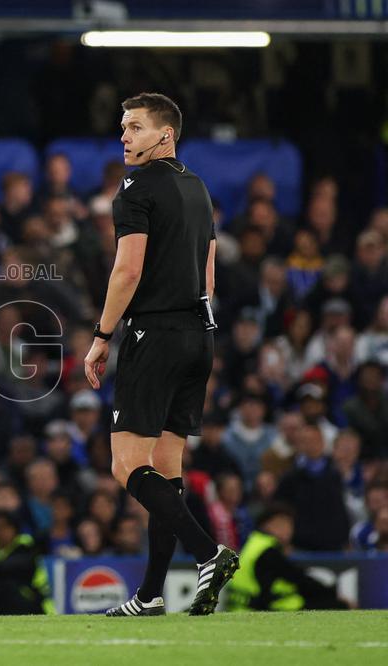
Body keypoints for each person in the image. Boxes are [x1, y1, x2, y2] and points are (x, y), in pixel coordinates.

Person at [85, 93, 238, 618]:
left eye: (133, 127)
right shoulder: (198, 188)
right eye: (122, 127)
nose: (123, 136)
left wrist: (103, 335)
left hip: (156, 335)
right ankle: (150, 595)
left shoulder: (135, 188)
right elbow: (209, 275)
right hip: (201, 335)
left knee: (126, 466)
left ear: (164, 135)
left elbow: (127, 271)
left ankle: (208, 553)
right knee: (165, 473)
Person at [227, 504, 349, 611]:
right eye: (282, 524)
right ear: (267, 525)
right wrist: (332, 594)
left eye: (289, 524)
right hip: (256, 610)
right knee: (338, 605)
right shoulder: (268, 552)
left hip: (241, 607)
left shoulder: (254, 542)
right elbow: (298, 579)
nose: (287, 530)